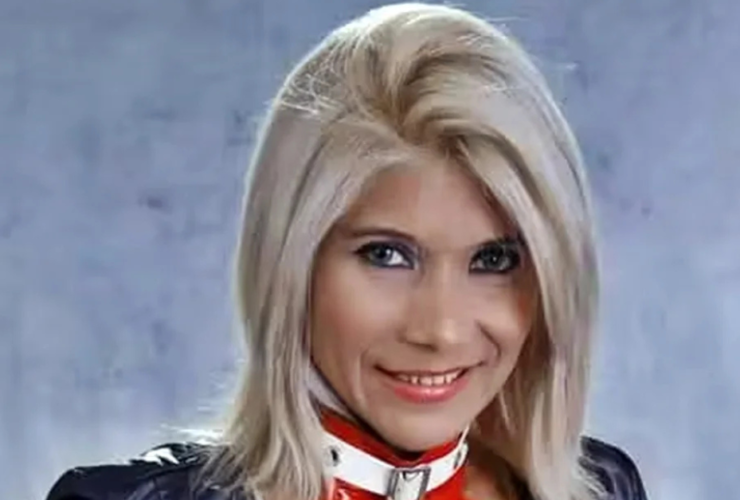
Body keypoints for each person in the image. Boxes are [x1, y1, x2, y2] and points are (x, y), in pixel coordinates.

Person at [46, 3, 649, 500]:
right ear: (290, 264)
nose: (440, 330)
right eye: (387, 255)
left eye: (493, 261)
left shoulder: (601, 489)